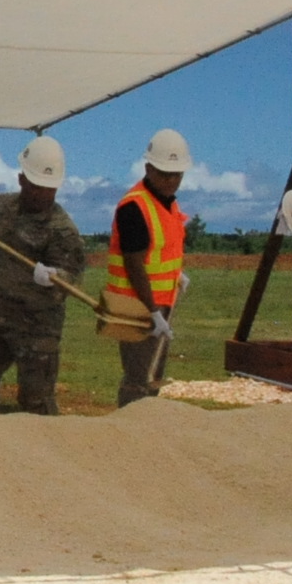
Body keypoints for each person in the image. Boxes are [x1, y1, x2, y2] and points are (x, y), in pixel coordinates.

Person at [0, 136, 84, 414]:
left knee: (36, 403)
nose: (42, 194)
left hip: (38, 327)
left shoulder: (63, 229)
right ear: (21, 179)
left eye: (48, 189)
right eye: (35, 186)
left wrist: (54, 276)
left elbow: (72, 278)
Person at [107, 128, 192, 407]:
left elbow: (161, 249)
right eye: (164, 173)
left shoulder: (167, 203)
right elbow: (134, 264)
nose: (170, 180)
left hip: (160, 302)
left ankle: (145, 430)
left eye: (176, 174)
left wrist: (175, 275)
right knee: (138, 378)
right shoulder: (134, 207)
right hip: (136, 308)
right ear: (148, 168)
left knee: (153, 374)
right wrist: (153, 312)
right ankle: (129, 432)